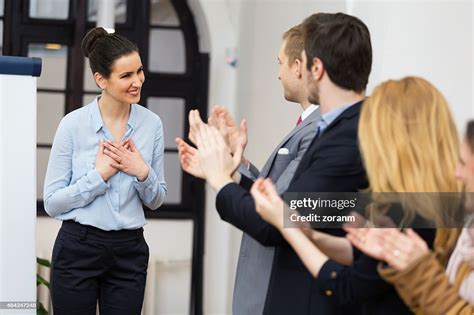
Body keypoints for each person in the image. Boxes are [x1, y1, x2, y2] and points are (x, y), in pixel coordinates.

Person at [181, 12, 371, 314]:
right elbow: (310, 212)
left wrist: (220, 178)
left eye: (301, 61)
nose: (286, 71)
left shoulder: (346, 135)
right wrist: (230, 166)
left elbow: (282, 221)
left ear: (315, 68)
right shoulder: (335, 128)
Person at [250, 76, 462, 314]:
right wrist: (311, 235)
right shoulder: (444, 202)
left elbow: (347, 286)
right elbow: (372, 265)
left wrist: (288, 227)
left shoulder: (406, 210)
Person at [177, 24, 320, 314]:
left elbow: (280, 215)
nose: (278, 74)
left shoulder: (319, 130)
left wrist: (221, 177)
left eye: (280, 64)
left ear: (297, 67)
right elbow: (279, 196)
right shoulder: (310, 126)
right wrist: (234, 162)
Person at [43, 27, 167, 315]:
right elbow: (52, 202)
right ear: (101, 79)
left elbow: (156, 199)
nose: (137, 81)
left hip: (130, 251)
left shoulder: (152, 125)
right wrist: (98, 177)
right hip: (78, 249)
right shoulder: (73, 125)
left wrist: (142, 172)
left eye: (139, 71)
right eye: (126, 76)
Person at [345, 120, 474, 314]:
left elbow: (347, 288)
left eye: (463, 164)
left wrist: (421, 271)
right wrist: (408, 267)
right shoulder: (468, 236)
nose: (457, 173)